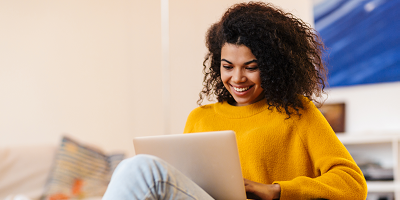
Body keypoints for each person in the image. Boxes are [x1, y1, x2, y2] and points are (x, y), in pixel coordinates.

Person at [103, 2, 368, 200]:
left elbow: (353, 183)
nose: (237, 78)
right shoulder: (200, 118)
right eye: (227, 66)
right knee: (136, 169)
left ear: (272, 66)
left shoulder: (297, 112)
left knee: (139, 168)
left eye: (250, 67)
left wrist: (276, 190)